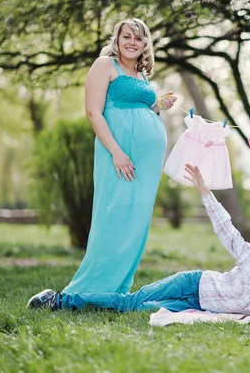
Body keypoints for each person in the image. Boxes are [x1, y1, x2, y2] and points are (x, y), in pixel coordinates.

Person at [27, 165, 250, 316]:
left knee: (139, 310)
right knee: (130, 302)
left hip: (196, 305)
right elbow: (225, 228)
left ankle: (77, 305)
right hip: (193, 282)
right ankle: (59, 300)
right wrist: (204, 190)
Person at [55, 18, 177, 295]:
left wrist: (159, 107)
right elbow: (93, 113)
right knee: (113, 215)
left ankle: (117, 289)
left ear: (146, 43)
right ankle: (87, 290)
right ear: (117, 39)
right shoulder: (104, 65)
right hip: (118, 153)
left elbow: (141, 113)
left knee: (135, 220)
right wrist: (117, 152)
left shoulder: (141, 74)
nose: (133, 42)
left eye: (139, 38)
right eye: (127, 37)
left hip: (144, 162)